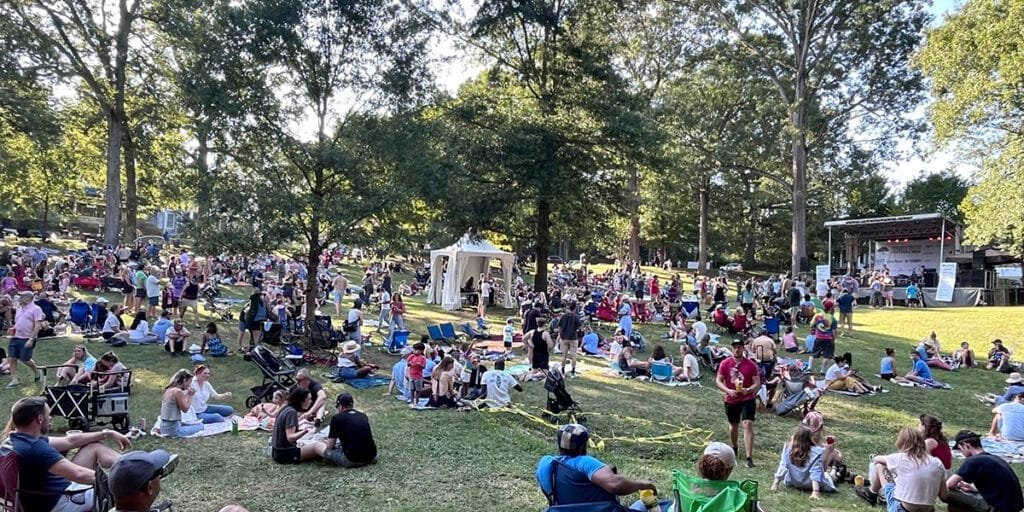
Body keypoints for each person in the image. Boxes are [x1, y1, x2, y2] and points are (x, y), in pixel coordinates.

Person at [3, 396, 132, 512]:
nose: (51, 418)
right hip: (60, 501)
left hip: (41, 497)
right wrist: (119, 479)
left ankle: (133, 466)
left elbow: (69, 441)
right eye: (49, 415)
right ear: (40, 419)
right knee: (123, 492)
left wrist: (107, 433)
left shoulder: (14, 442)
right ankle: (133, 474)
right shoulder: (35, 448)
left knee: (93, 447)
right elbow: (79, 474)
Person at [535, 423, 658, 509]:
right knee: (647, 504)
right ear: (583, 446)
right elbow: (616, 485)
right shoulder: (584, 462)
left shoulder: (546, 463)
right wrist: (643, 484)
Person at [855, 427, 948, 510]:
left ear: (901, 443)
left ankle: (871, 493)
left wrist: (878, 458)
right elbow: (944, 496)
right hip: (928, 510)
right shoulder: (937, 462)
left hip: (902, 509)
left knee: (880, 465)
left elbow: (876, 459)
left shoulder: (900, 458)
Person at [943, 430, 1024, 512]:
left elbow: (948, 485)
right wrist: (974, 489)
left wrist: (955, 487)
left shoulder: (973, 460)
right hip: (1012, 507)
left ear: (966, 445)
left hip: (996, 508)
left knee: (945, 491)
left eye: (960, 449)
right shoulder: (995, 458)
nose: (962, 453)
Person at [716, 339, 761, 468]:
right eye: (735, 347)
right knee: (733, 425)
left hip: (747, 398)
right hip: (731, 398)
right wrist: (728, 390)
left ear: (743, 348)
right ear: (732, 348)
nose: (737, 349)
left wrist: (749, 389)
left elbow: (757, 383)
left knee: (747, 424)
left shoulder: (751, 364)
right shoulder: (725, 363)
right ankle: (734, 447)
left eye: (739, 347)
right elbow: (718, 380)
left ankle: (749, 457)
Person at [771, 426, 836, 499]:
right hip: (810, 484)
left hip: (792, 482)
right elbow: (816, 472)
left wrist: (775, 484)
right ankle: (835, 470)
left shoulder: (788, 448)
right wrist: (815, 492)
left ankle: (834, 471)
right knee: (828, 476)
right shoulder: (817, 452)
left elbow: (783, 466)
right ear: (810, 438)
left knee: (827, 474)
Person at [271, 387, 326, 464]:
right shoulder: (291, 412)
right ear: (301, 401)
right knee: (316, 446)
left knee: (313, 441)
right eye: (309, 399)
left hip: (276, 451)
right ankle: (337, 456)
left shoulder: (286, 407)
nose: (311, 401)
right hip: (285, 454)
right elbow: (290, 437)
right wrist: (305, 431)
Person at [323, 393, 378, 468]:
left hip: (351, 460)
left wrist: (326, 442)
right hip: (373, 457)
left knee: (317, 446)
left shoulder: (336, 418)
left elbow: (330, 446)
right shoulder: (363, 415)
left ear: (341, 406)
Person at [6, 291, 44, 388]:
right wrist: (13, 328)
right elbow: (18, 322)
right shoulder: (19, 309)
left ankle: (37, 371)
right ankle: (14, 380)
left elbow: (37, 325)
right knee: (12, 358)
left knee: (25, 359)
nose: (19, 298)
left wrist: (31, 339)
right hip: (16, 337)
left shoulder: (36, 309)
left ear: (28, 298)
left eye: (22, 296)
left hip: (27, 338)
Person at [159, 369, 203, 438]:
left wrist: (187, 393)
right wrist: (191, 396)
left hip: (163, 427)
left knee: (190, 424)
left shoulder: (169, 389)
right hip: (174, 430)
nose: (190, 385)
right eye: (190, 382)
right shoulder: (178, 392)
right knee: (201, 426)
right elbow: (185, 409)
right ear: (185, 380)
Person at [807, 303, 837, 375]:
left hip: (818, 338)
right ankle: (822, 371)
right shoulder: (833, 319)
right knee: (827, 355)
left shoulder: (817, 316)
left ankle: (809, 368)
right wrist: (833, 339)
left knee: (813, 354)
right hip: (828, 339)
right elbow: (834, 332)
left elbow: (811, 324)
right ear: (831, 309)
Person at [557, 304, 580, 375]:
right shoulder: (575, 316)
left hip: (564, 337)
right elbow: (579, 326)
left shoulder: (563, 316)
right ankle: (573, 370)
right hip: (573, 337)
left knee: (564, 355)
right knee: (573, 355)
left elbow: (559, 326)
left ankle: (563, 368)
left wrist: (560, 335)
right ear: (575, 309)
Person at [407, 342, 427, 407]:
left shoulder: (423, 358)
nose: (415, 351)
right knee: (412, 389)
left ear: (421, 351)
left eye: (416, 350)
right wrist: (410, 363)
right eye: (414, 350)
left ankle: (417, 401)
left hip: (418, 376)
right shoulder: (412, 356)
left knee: (418, 390)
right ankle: (412, 401)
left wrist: (419, 364)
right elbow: (408, 363)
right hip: (411, 375)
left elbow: (424, 367)